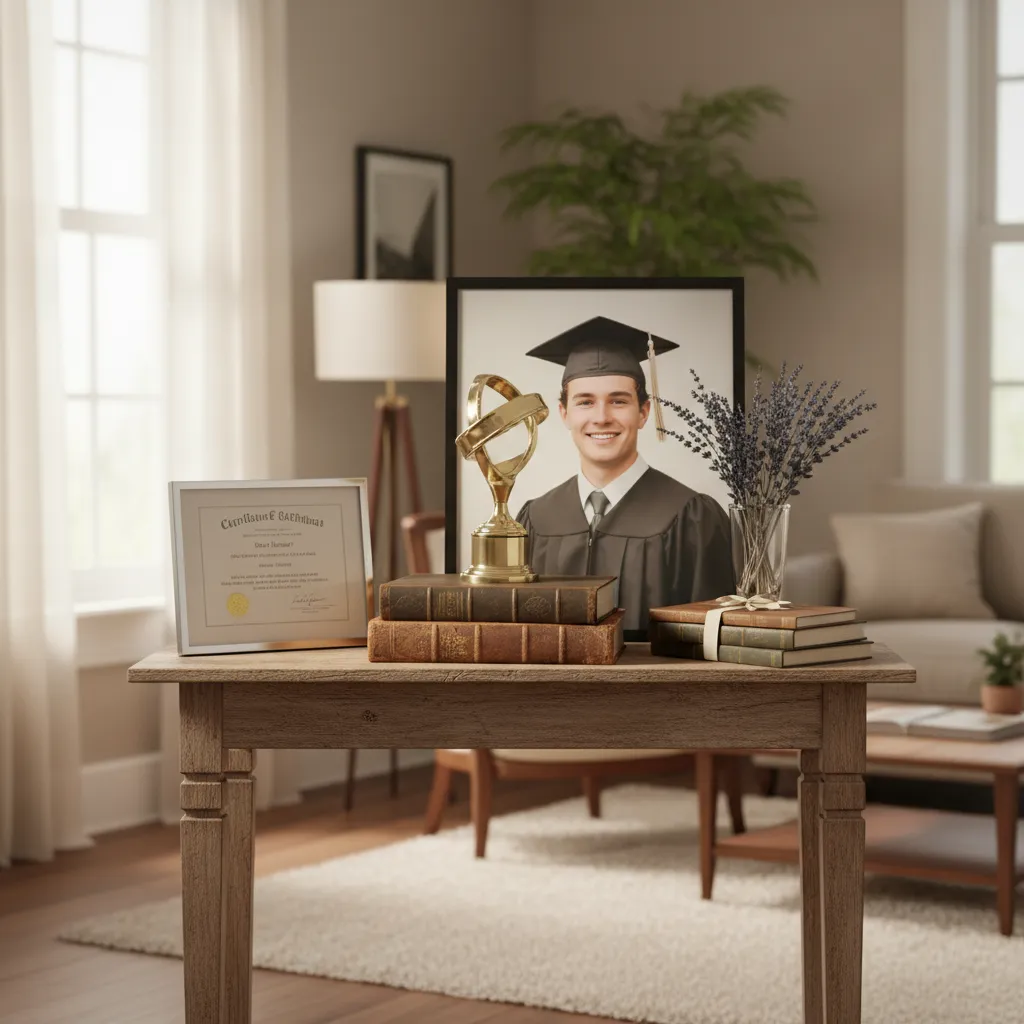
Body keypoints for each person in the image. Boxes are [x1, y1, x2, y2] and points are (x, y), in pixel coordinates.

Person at [516, 314, 734, 641]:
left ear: (644, 412)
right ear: (564, 414)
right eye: (585, 402)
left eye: (618, 401)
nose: (601, 417)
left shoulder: (693, 517)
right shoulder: (534, 518)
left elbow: (716, 645)